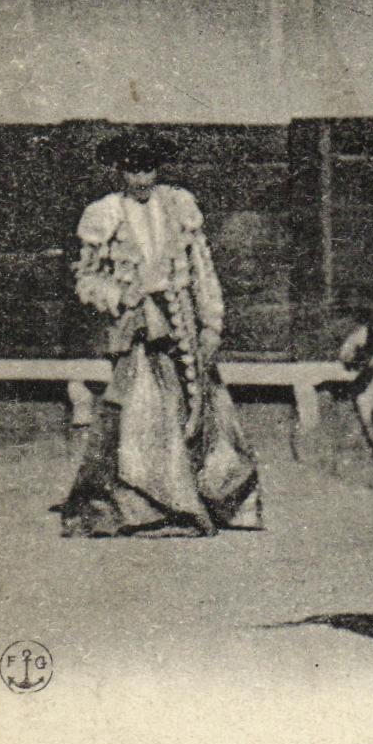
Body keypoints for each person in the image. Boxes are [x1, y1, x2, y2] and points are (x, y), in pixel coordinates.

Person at [60, 130, 261, 539]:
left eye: (148, 168)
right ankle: (151, 506)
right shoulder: (105, 213)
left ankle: (215, 499)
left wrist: (212, 324)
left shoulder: (178, 205)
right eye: (132, 169)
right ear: (119, 170)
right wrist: (121, 298)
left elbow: (203, 271)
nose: (141, 178)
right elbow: (86, 278)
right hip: (138, 329)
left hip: (182, 321)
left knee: (204, 404)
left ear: (159, 167)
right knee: (142, 410)